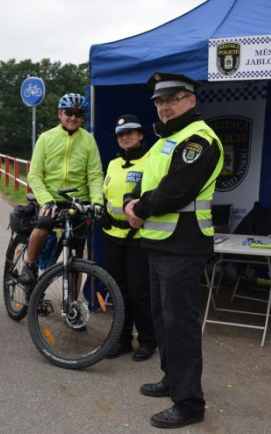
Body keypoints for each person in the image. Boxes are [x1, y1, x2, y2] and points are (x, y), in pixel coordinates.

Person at [124, 72, 223, 429]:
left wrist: (139, 208)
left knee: (179, 324)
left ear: (191, 100)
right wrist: (130, 201)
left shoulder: (198, 140)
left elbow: (174, 192)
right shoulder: (166, 139)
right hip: (159, 244)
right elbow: (143, 180)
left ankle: (189, 403)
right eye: (160, 102)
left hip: (183, 245)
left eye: (172, 99)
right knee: (163, 319)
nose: (164, 107)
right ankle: (172, 379)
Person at [18, 93, 104, 291]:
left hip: (78, 201)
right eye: (69, 113)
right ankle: (29, 266)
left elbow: (95, 174)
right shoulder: (46, 138)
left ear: (83, 117)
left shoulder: (88, 140)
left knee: (76, 254)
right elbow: (34, 175)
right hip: (51, 199)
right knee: (43, 223)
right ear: (60, 114)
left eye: (78, 114)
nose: (73, 118)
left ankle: (73, 307)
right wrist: (46, 201)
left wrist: (97, 202)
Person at [102, 114, 156, 362]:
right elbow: (107, 196)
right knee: (117, 290)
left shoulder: (150, 161)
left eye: (130, 133)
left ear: (141, 135)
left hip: (138, 237)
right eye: (121, 135)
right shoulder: (113, 164)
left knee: (139, 292)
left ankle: (148, 340)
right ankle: (123, 339)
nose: (125, 137)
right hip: (112, 235)